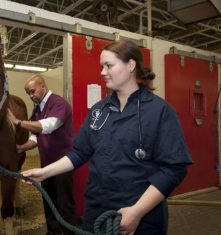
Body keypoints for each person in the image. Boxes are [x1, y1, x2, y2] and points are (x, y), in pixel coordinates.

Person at [21, 40, 193, 235]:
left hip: (140, 216)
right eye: (102, 66)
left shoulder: (160, 111)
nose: (102, 72)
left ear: (130, 65)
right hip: (97, 212)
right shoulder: (98, 111)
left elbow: (173, 169)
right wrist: (45, 172)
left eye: (108, 66)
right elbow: (79, 153)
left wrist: (137, 212)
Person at [8, 75, 77, 235]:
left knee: (64, 203)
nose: (31, 96)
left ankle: (68, 233)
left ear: (43, 87)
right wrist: (21, 148)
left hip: (62, 163)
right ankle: (52, 232)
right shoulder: (38, 108)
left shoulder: (58, 103)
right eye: (28, 94)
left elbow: (48, 126)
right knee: (49, 200)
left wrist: (17, 122)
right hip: (46, 163)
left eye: (32, 91)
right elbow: (35, 136)